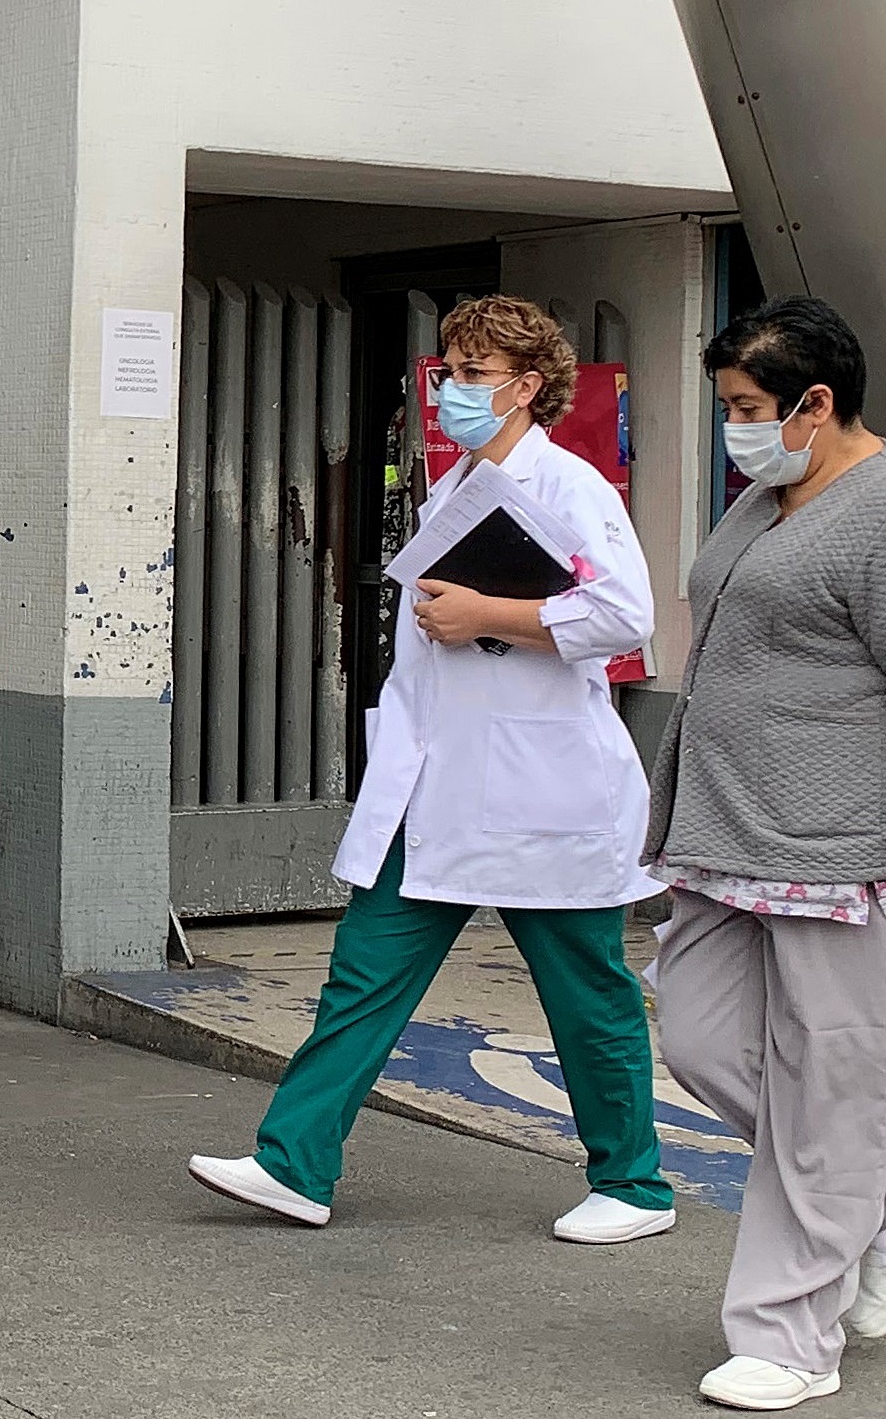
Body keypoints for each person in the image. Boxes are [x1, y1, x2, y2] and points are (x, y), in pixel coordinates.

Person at [189, 294, 671, 1241]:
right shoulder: (452, 490)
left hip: (543, 793)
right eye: (448, 370)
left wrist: (492, 615)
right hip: (439, 787)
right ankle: (295, 1162)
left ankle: (635, 1183)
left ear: (528, 387)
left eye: (472, 374)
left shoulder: (574, 488)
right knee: (363, 973)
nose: (449, 390)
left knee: (587, 991)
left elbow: (626, 618)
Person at [646, 295, 886, 1412]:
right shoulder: (767, 495)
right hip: (723, 837)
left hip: (844, 850)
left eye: (750, 408)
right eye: (728, 408)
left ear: (818, 404)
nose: (735, 429)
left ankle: (788, 1338)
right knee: (705, 1046)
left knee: (827, 1090)